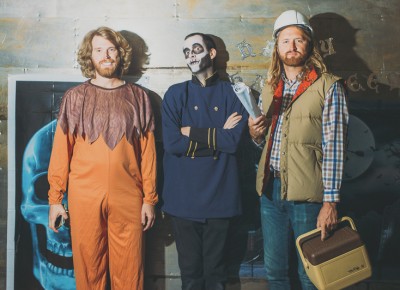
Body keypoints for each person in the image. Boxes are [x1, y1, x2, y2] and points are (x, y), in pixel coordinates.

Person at [47, 26, 158, 290]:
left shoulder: (139, 97)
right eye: (99, 50)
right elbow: (61, 151)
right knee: (88, 270)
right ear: (90, 56)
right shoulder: (75, 98)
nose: (105, 55)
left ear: (120, 54)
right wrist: (55, 200)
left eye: (111, 49)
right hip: (84, 195)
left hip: (128, 195)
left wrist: (149, 199)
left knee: (130, 271)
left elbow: (149, 153)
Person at [248, 10, 349, 290]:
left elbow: (336, 148)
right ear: (277, 47)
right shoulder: (270, 88)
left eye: (299, 40)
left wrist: (330, 203)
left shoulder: (329, 87)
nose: (291, 46)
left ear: (309, 44)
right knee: (276, 272)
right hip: (270, 193)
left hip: (309, 198)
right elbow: (266, 142)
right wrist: (255, 136)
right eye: (285, 41)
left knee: (312, 273)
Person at [161, 32, 248, 290]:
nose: (191, 55)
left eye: (196, 49)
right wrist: (217, 136)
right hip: (182, 198)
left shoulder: (234, 93)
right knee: (190, 276)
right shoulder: (175, 94)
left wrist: (191, 132)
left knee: (217, 276)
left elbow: (232, 142)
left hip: (221, 197)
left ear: (211, 54)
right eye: (186, 51)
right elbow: (172, 143)